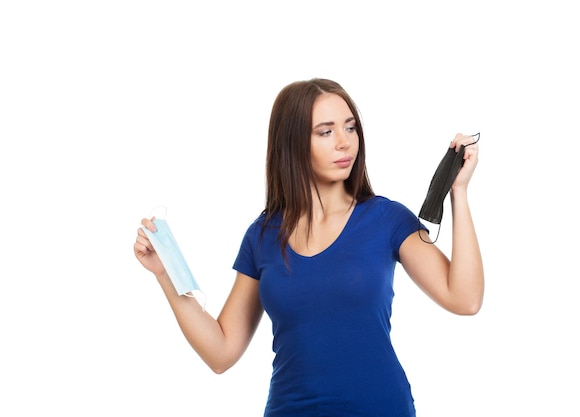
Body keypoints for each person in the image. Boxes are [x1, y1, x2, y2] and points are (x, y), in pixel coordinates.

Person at [134, 78, 484, 417]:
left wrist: (459, 193)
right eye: (326, 131)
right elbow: (221, 352)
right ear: (294, 143)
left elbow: (464, 298)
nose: (344, 142)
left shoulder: (387, 219)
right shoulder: (263, 235)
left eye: (350, 128)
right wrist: (166, 274)